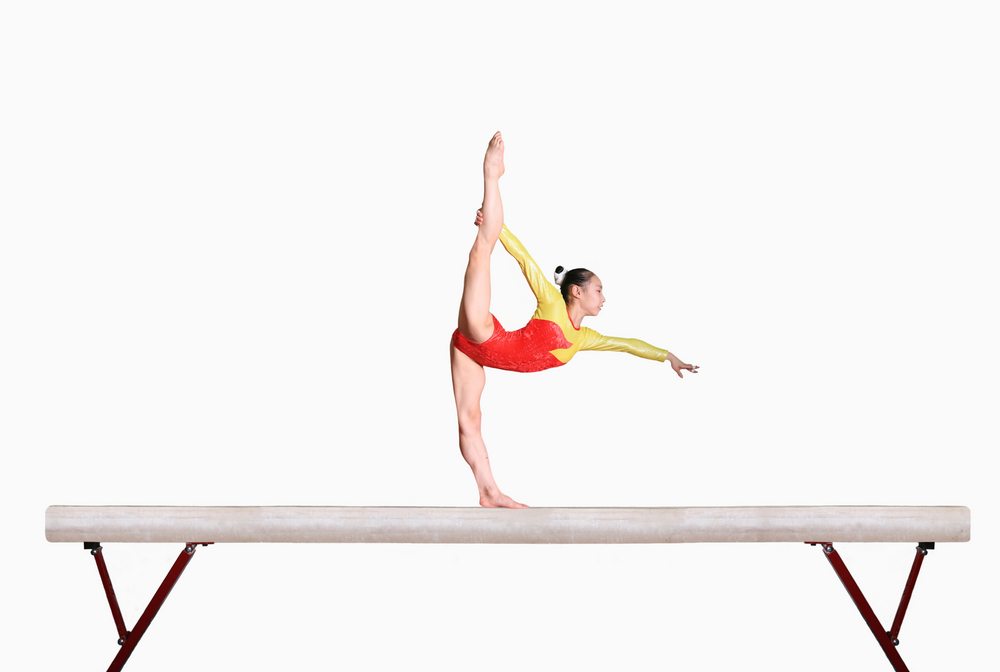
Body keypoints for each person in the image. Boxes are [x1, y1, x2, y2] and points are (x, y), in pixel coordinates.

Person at [450, 131, 699, 508]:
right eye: (598, 289)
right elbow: (525, 259)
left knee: (470, 419)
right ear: (576, 291)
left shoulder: (584, 339)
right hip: (481, 333)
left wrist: (667, 356)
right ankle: (492, 174)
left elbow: (626, 345)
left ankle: (488, 492)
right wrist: (497, 228)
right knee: (482, 249)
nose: (604, 298)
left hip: (473, 356)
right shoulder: (551, 301)